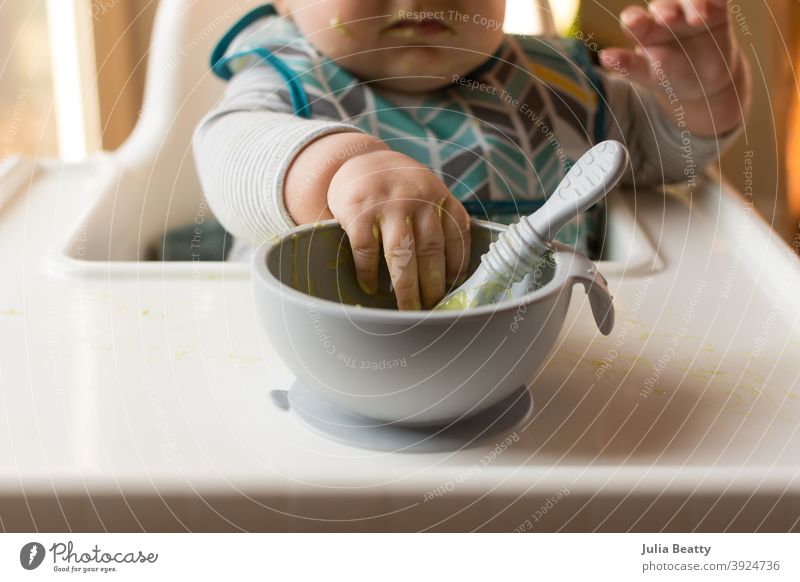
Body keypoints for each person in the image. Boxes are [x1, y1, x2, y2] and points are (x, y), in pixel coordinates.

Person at [193, 0, 749, 310]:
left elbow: (670, 160)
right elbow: (231, 153)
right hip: (320, 357)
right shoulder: (285, 80)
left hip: (541, 355)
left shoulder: (558, 86)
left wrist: (702, 95)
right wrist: (340, 166)